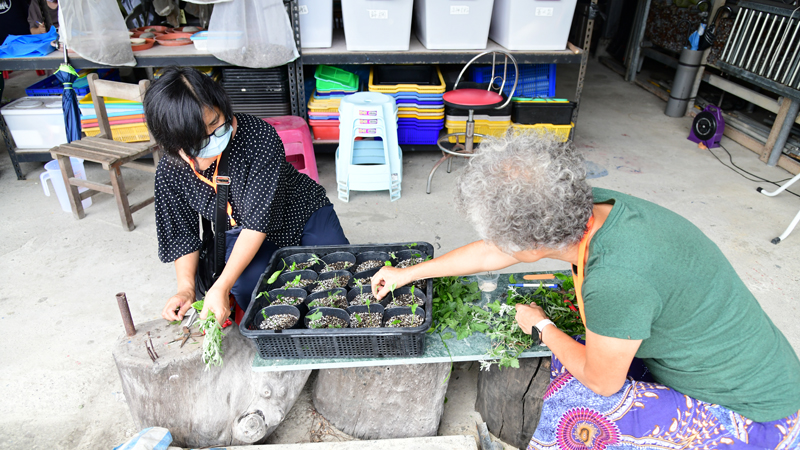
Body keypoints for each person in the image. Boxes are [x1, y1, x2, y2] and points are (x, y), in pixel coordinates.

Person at [371, 133, 800, 449]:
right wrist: (411, 273)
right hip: (745, 361)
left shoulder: (614, 280)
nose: (498, 246)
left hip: (756, 411)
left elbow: (602, 381)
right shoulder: (587, 205)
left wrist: (540, 325)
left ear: (533, 245)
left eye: (506, 240)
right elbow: (492, 253)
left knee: (574, 411)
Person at [144, 66, 349, 326]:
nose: (213, 137)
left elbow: (258, 223)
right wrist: (185, 289)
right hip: (242, 233)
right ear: (175, 144)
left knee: (337, 267)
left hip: (300, 211)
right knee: (249, 288)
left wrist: (221, 286)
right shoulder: (171, 170)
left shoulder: (258, 137)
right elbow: (182, 237)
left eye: (215, 122)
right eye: (198, 138)